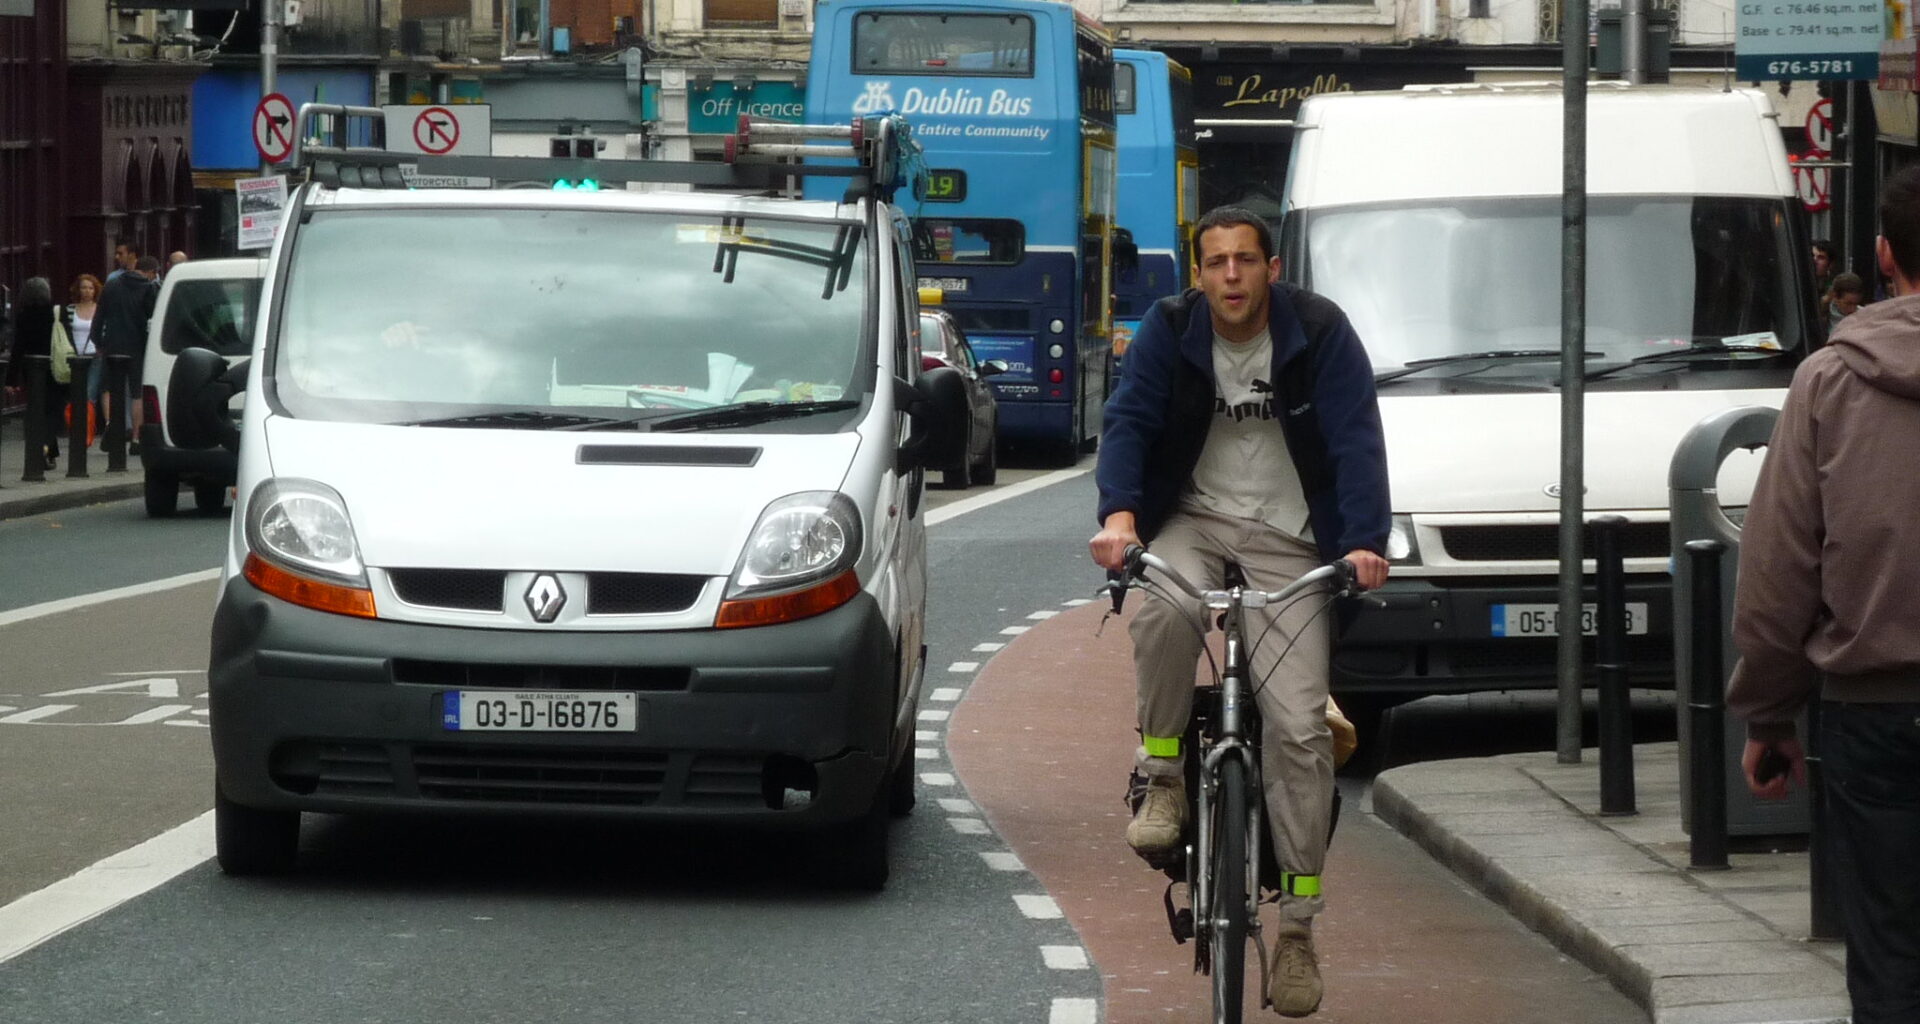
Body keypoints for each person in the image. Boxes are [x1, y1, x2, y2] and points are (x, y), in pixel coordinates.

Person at [1089, 206, 1391, 1018]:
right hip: (1191, 518)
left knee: (1298, 730)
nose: (1230, 276)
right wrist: (1120, 516)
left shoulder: (1321, 334)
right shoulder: (1168, 329)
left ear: (1272, 268)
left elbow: (1358, 439)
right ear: (1197, 271)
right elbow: (1129, 423)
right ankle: (1162, 782)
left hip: (1291, 537)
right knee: (1160, 607)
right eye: (1215, 262)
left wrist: (1362, 543)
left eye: (1245, 261)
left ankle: (1296, 928)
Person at [1728, 164, 1920, 1024]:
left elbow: (1778, 572)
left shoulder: (1828, 383)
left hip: (1872, 709)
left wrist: (1769, 718)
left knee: (1885, 946)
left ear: (1883, 255)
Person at [92, 255, 160, 449]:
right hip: (138, 345)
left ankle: (110, 426)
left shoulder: (112, 284)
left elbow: (99, 315)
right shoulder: (150, 288)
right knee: (137, 391)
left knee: (109, 388)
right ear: (151, 272)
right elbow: (153, 318)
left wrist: (98, 341)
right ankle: (137, 438)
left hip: (112, 343)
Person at [4, 277, 65, 469]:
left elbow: (18, 347)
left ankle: (45, 451)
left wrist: (10, 379)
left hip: (32, 369)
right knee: (52, 412)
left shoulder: (23, 315)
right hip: (55, 367)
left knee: (37, 411)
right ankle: (47, 450)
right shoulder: (56, 313)